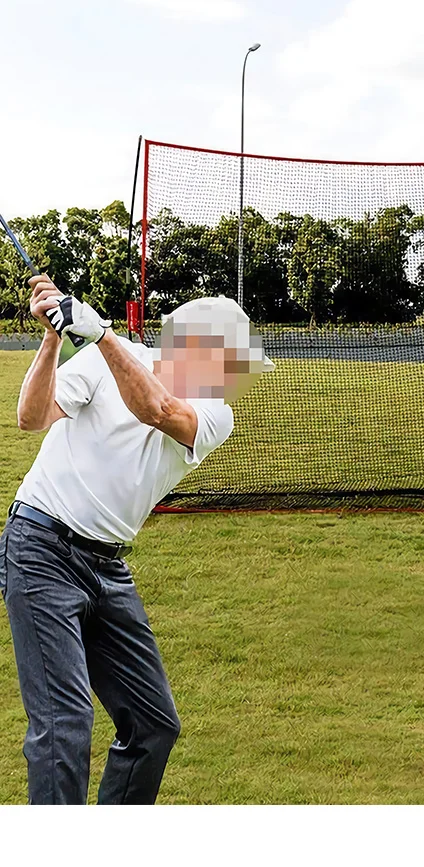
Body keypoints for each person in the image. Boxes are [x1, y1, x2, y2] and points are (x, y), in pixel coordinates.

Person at [0, 276, 274, 804]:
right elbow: (30, 417)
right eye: (233, 362)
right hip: (40, 547)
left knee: (153, 723)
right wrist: (54, 337)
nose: (237, 376)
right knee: (64, 723)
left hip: (107, 567)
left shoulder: (216, 413)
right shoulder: (102, 357)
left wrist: (102, 335)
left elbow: (158, 410)